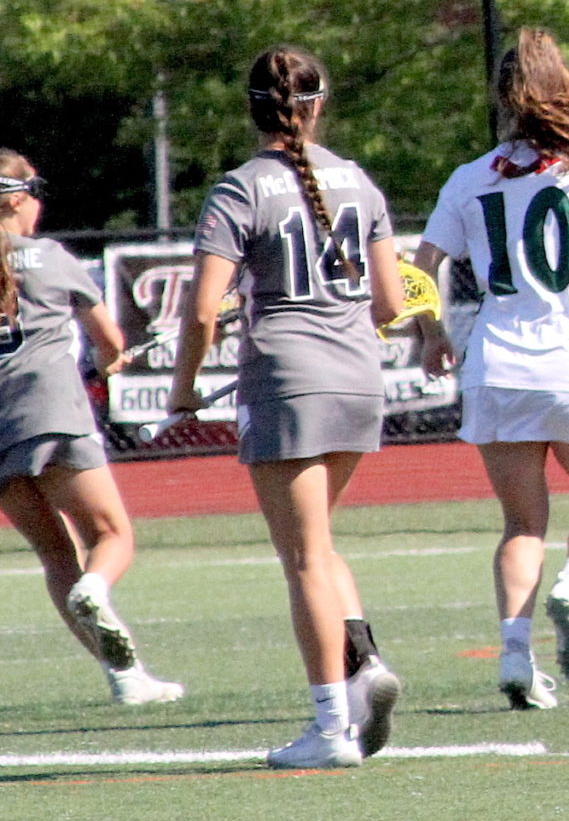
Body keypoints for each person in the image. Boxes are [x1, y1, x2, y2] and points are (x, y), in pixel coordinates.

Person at [169, 44, 409, 769]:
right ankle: (363, 663)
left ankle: (332, 727)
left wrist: (182, 391)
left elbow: (203, 310)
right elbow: (391, 302)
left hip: (289, 383)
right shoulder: (360, 181)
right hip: (359, 380)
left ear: (253, 109)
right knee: (321, 543)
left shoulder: (240, 189)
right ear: (318, 104)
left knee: (302, 556)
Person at [0, 150, 184, 707]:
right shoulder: (51, 258)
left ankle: (126, 678)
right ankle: (97, 591)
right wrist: (108, 360)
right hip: (50, 411)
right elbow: (112, 345)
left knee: (55, 555)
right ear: (18, 198)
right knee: (111, 537)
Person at [411, 28, 569, 710]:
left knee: (521, 523)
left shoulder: (468, 177)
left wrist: (432, 334)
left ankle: (515, 655)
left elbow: (419, 269)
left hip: (496, 364)